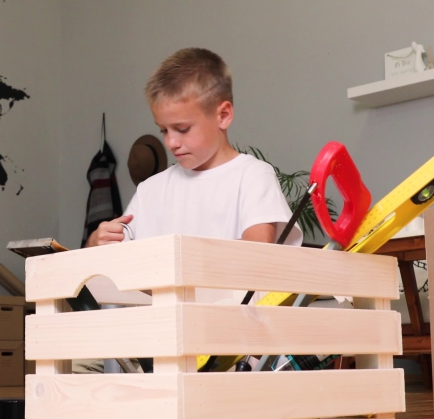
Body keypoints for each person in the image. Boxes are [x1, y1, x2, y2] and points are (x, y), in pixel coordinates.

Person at [86, 47, 302, 279]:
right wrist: (96, 243)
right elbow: (106, 269)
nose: (171, 142)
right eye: (163, 130)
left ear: (223, 115)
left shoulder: (252, 176)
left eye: (182, 129)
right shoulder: (150, 190)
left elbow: (256, 257)